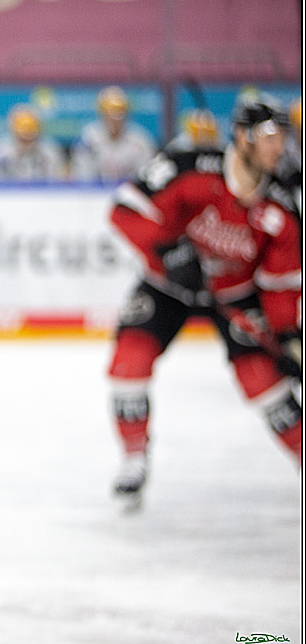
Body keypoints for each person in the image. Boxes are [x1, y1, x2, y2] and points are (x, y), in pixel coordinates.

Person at [106, 92, 302, 512]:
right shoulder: (188, 166)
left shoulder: (283, 204)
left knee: (267, 388)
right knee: (128, 367)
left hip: (235, 293)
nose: (278, 145)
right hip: (166, 286)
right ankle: (134, 459)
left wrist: (287, 335)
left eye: (282, 135)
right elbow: (124, 210)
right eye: (269, 134)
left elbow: (281, 281)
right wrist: (167, 251)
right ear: (242, 136)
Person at [70, 85, 157, 183]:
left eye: (119, 112)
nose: (114, 119)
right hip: (94, 196)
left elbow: (146, 180)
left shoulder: (140, 141)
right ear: (102, 114)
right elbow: (82, 179)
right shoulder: (88, 139)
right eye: (110, 112)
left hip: (130, 195)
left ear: (126, 114)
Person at [0, 103, 66, 182]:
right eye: (22, 138)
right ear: (13, 131)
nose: (26, 142)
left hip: (42, 196)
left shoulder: (50, 152)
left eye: (30, 137)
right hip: (7, 196)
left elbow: (55, 184)